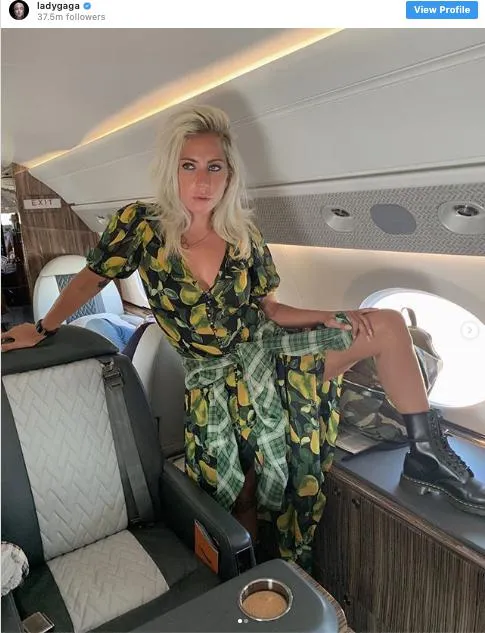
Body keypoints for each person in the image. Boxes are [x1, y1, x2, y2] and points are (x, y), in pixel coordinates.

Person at [2, 105, 483, 572]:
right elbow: (91, 279)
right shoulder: (140, 225)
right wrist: (43, 327)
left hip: (267, 355)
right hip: (212, 381)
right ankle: (248, 579)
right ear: (171, 170)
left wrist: (334, 315)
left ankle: (427, 455)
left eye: (215, 167)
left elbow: (270, 309)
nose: (203, 181)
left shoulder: (243, 233)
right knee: (240, 492)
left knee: (387, 324)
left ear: (229, 174)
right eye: (189, 166)